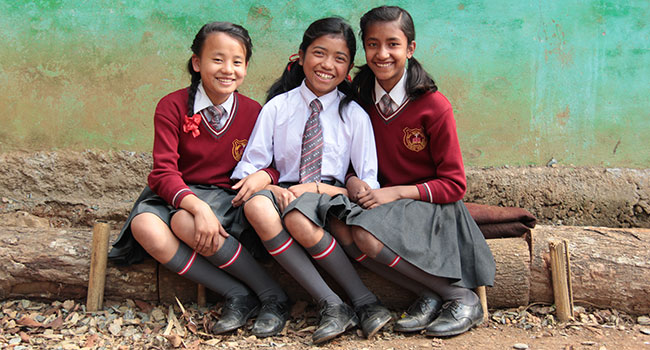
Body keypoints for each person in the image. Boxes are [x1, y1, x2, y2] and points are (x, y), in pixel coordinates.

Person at [107, 21, 290, 338]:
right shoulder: (172, 106)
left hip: (226, 199)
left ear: (246, 66)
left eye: (237, 62)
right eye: (217, 59)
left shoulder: (254, 112)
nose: (227, 70)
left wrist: (264, 176)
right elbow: (163, 172)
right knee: (144, 225)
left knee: (183, 224)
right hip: (177, 194)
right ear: (197, 63)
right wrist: (197, 207)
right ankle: (238, 294)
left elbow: (275, 165)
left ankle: (273, 295)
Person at [230, 17, 391, 344]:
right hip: (286, 193)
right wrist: (270, 185)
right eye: (319, 53)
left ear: (348, 69)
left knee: (300, 217)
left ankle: (363, 300)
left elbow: (366, 183)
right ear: (301, 56)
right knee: (259, 208)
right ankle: (333, 304)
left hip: (331, 195)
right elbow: (251, 168)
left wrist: (318, 189)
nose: (327, 64)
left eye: (340, 58)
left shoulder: (354, 115)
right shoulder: (278, 108)